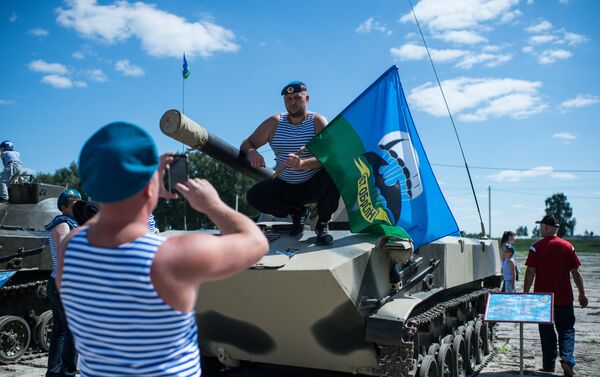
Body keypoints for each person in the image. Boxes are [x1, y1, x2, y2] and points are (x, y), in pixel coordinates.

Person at [56, 122, 269, 376]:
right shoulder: (170, 255)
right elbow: (256, 242)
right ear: (149, 187)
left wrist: (143, 188)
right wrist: (212, 205)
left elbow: (105, 226)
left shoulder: (71, 246)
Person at [241, 81, 340, 245]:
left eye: (297, 98)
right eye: (288, 99)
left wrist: (302, 163)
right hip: (285, 184)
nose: (292, 102)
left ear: (307, 99)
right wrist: (252, 152)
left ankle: (322, 224)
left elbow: (331, 157)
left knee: (334, 173)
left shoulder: (317, 122)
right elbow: (247, 143)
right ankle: (296, 212)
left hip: (313, 184)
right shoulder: (274, 123)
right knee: (254, 195)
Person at [524, 214, 588, 376]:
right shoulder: (567, 246)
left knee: (546, 332)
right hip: (564, 297)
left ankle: (548, 365)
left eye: (541, 226)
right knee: (566, 330)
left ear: (546, 227)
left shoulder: (536, 247)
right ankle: (567, 359)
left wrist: (526, 293)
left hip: (542, 299)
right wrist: (582, 294)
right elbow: (576, 273)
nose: (539, 229)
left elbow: (530, 272)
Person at [45, 189, 81, 377]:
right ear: (63, 206)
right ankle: (66, 373)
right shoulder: (62, 223)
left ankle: (54, 372)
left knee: (60, 331)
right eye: (74, 202)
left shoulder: (74, 223)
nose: (78, 204)